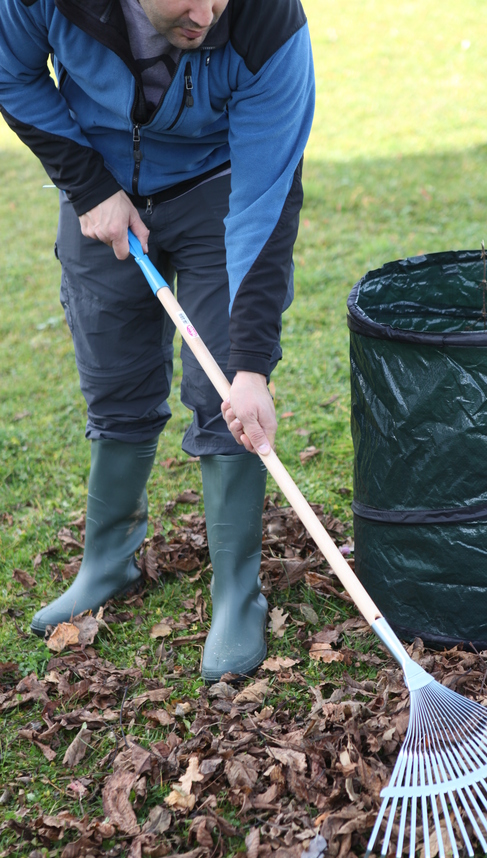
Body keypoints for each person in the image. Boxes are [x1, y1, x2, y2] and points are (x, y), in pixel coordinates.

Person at [0, 0, 315, 681]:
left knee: (221, 387)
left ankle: (237, 595)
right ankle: (108, 561)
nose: (206, 15)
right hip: (103, 183)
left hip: (221, 190)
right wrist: (88, 186)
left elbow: (266, 199)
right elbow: (11, 69)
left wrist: (251, 369)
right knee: (113, 378)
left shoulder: (267, 24)